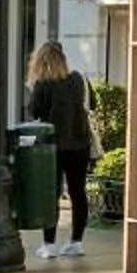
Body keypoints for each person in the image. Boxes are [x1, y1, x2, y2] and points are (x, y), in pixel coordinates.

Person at [22, 41, 94, 259]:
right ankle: (76, 242)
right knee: (78, 192)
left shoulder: (43, 84)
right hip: (80, 144)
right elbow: (93, 105)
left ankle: (49, 244)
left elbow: (34, 111)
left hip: (52, 147)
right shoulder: (78, 79)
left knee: (50, 194)